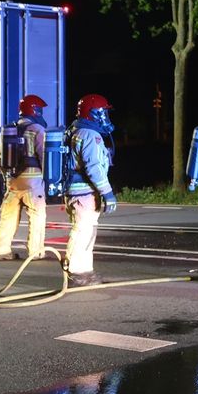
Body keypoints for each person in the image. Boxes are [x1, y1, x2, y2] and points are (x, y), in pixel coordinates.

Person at [63, 94, 117, 287]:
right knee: (82, 233)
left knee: (85, 232)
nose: (105, 117)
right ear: (92, 113)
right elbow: (94, 167)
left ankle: (85, 273)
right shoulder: (89, 135)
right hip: (84, 193)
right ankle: (77, 274)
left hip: (76, 192)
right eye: (102, 113)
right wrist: (107, 193)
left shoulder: (75, 130)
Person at [0, 95, 49, 262]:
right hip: (32, 181)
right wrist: (48, 179)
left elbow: (0, 158)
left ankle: (0, 250)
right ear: (35, 110)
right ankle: (36, 252)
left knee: (8, 216)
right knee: (37, 216)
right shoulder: (37, 129)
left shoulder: (10, 130)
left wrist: (7, 178)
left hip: (13, 181)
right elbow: (44, 156)